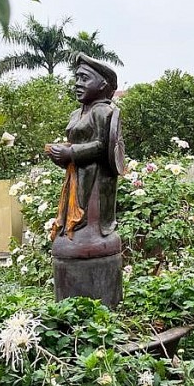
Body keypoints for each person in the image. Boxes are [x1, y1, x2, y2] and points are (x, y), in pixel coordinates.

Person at [47, 53, 120, 245]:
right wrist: (61, 154)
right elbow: (76, 140)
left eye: (85, 78)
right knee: (68, 230)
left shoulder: (102, 111)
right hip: (75, 177)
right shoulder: (76, 113)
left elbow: (104, 146)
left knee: (89, 229)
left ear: (103, 85)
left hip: (95, 180)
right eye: (77, 78)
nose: (78, 83)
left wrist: (71, 153)